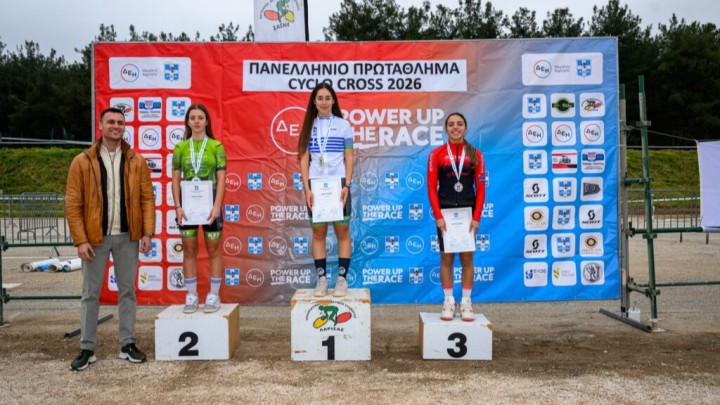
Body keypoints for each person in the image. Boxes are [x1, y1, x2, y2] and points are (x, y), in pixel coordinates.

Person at [65, 107, 155, 371]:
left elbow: (147, 199)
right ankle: (87, 348)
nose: (116, 126)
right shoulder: (82, 161)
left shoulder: (137, 161)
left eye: (120, 122)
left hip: (128, 238)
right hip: (95, 239)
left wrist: (147, 232)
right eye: (111, 122)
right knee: (90, 294)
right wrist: (80, 240)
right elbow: (73, 203)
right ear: (101, 125)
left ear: (124, 127)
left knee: (127, 292)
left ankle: (128, 344)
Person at [427, 112, 486, 321]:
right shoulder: (436, 154)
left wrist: (476, 217)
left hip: (468, 213)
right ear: (446, 129)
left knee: (467, 258)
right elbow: (431, 188)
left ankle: (467, 302)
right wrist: (438, 216)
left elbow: (481, 188)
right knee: (446, 258)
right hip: (445, 213)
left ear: (465, 128)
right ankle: (449, 301)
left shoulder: (476, 154)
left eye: (459, 124)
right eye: (451, 124)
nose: (455, 127)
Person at [298, 83, 354, 298]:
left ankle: (342, 279)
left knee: (343, 231)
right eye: (320, 98)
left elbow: (349, 157)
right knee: (318, 233)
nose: (323, 102)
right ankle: (321, 279)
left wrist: (347, 184)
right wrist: (307, 189)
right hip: (316, 186)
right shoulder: (308, 126)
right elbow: (304, 160)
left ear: (333, 101)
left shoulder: (343, 125)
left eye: (327, 98)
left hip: (338, 184)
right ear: (314, 101)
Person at [171, 104, 226, 314]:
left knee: (213, 249)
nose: (196, 121)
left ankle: (214, 294)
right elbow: (175, 179)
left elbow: (222, 179)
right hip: (187, 204)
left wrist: (217, 206)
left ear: (206, 121)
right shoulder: (180, 148)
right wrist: (178, 206)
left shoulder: (216, 146)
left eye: (200, 117)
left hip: (210, 203)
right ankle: (192, 294)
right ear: (187, 121)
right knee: (189, 249)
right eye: (192, 117)